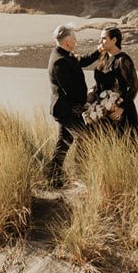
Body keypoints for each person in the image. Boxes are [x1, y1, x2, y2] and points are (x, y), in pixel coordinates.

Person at [44, 23, 99, 185]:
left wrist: (98, 52)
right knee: (86, 137)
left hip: (67, 108)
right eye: (74, 38)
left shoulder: (64, 53)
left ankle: (52, 177)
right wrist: (88, 99)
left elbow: (81, 61)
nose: (76, 41)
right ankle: (80, 175)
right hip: (66, 110)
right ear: (67, 42)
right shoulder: (59, 62)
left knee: (64, 143)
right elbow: (70, 90)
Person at [91, 25, 138, 138]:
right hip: (103, 111)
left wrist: (122, 108)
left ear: (114, 40)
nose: (100, 41)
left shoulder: (123, 60)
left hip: (120, 112)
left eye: (104, 38)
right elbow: (100, 84)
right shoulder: (104, 58)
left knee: (126, 146)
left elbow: (134, 86)